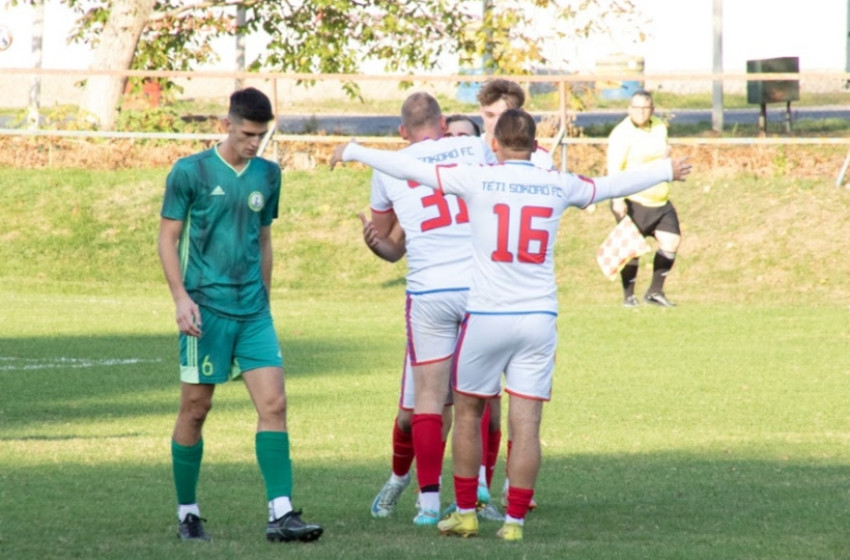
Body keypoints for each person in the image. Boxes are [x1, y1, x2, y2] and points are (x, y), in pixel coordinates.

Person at [331, 109, 691, 541]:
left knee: (466, 413)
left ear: (494, 144)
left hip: (486, 317)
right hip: (539, 319)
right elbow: (609, 185)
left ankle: (465, 511)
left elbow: (408, 167)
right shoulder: (557, 183)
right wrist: (667, 168)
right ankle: (514, 522)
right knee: (527, 425)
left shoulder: (477, 177)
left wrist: (355, 150)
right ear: (536, 144)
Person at [158, 87, 323, 544]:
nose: (255, 143)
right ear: (227, 124)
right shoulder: (190, 171)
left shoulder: (269, 175)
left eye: (261, 135)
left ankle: (281, 513)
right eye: (248, 133)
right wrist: (180, 298)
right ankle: (188, 512)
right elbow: (168, 239)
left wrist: (265, 299)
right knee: (196, 409)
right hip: (205, 310)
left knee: (275, 405)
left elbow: (263, 238)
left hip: (253, 311)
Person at [360, 92, 493, 526]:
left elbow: (386, 240)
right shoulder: (476, 148)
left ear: (402, 132)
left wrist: (376, 242)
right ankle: (458, 497)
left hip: (429, 291)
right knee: (476, 403)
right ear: (441, 127)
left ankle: (432, 503)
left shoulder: (389, 166)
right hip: (480, 290)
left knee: (430, 403)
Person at [477, 78, 555, 515]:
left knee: (517, 409)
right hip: (496, 298)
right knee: (484, 404)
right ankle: (488, 490)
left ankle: (509, 490)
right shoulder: (477, 155)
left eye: (500, 118)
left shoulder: (538, 169)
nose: (493, 126)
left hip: (517, 298)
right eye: (487, 117)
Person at [607, 90, 682, 308]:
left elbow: (660, 157)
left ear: (652, 110)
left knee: (672, 241)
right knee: (632, 249)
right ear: (629, 109)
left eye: (645, 108)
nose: (640, 112)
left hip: (660, 199)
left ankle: (655, 292)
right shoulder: (621, 134)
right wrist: (617, 199)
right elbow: (614, 168)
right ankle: (629, 296)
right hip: (634, 198)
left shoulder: (659, 126)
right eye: (636, 108)